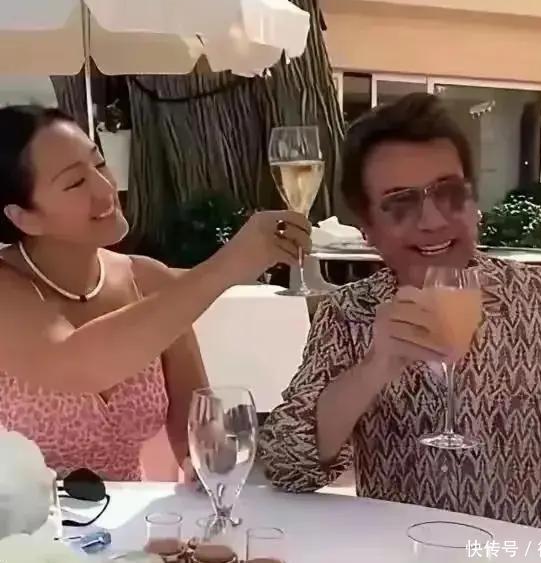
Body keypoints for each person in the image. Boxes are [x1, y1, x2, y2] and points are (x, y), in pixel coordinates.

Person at [259, 93, 541, 539]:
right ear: (367, 228)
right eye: (400, 203)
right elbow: (286, 465)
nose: (432, 220)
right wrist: (373, 369)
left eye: (449, 193)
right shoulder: (348, 315)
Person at [0, 105, 310, 481]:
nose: (106, 188)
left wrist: (215, 466)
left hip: (127, 517)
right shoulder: (7, 287)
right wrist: (228, 266)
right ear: (24, 217)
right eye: (75, 182)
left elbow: (196, 425)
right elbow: (78, 365)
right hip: (21, 517)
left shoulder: (148, 281)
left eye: (99, 164)